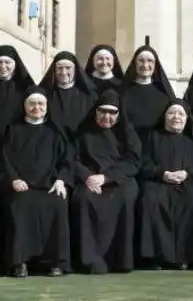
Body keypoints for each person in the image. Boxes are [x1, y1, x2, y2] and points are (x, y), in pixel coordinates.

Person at [0, 87, 73, 277]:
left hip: (49, 185)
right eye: (32, 103)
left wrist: (61, 180)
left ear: (47, 107)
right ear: (24, 106)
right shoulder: (13, 130)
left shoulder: (55, 131)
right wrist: (13, 179)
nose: (36, 107)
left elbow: (67, 160)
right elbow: (4, 159)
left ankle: (56, 262)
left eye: (41, 104)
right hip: (21, 185)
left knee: (58, 204)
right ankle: (20, 262)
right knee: (20, 205)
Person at [70, 90, 142, 274]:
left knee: (126, 196)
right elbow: (73, 159)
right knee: (83, 199)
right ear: (95, 111)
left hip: (118, 180)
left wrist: (106, 178)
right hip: (90, 180)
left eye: (112, 112)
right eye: (103, 111)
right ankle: (90, 261)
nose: (107, 116)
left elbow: (133, 162)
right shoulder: (83, 132)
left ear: (119, 114)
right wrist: (87, 177)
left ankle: (120, 261)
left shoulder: (127, 133)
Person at [137, 100, 193, 270]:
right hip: (158, 180)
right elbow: (143, 162)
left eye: (181, 114)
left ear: (187, 119)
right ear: (164, 117)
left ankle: (185, 257)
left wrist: (187, 174)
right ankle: (155, 257)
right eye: (171, 113)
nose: (176, 117)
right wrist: (163, 174)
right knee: (151, 200)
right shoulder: (152, 137)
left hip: (187, 181)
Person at [119, 45, 177, 141]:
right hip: (129, 144)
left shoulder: (164, 93)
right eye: (141, 60)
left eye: (150, 61)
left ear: (155, 65)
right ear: (135, 63)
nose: (145, 65)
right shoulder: (123, 91)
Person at [40, 51, 99, 136]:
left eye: (68, 68)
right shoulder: (44, 94)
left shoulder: (89, 96)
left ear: (75, 70)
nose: (63, 72)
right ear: (54, 70)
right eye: (59, 68)